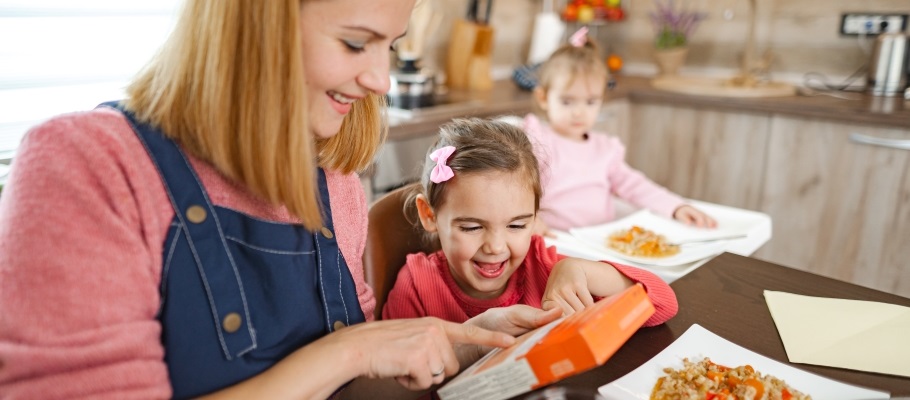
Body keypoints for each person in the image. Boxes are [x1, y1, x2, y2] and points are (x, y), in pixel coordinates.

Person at [0, 1, 562, 399]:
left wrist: (468, 344)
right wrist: (347, 353)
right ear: (255, 25)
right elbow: (348, 362)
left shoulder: (333, 175)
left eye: (391, 46)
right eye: (354, 41)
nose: (381, 78)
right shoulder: (86, 165)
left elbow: (354, 388)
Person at [381, 118, 678, 327]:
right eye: (471, 227)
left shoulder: (542, 267)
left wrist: (580, 269)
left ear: (536, 217)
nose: (496, 247)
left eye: (517, 226)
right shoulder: (417, 286)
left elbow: (664, 303)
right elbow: (395, 387)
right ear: (429, 215)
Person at [524, 27, 716, 234]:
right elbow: (516, 189)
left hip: (599, 242)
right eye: (567, 101)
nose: (579, 112)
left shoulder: (606, 148)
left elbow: (636, 186)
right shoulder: (537, 140)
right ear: (543, 98)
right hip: (552, 240)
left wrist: (677, 206)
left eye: (590, 102)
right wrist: (531, 220)